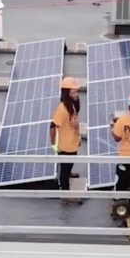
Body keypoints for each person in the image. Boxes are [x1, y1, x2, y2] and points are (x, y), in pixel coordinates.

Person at [50, 77, 82, 205]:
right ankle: (65, 194)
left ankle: (68, 173)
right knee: (64, 169)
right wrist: (53, 143)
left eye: (76, 92)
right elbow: (53, 126)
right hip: (65, 145)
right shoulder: (62, 109)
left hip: (72, 142)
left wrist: (78, 137)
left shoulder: (73, 105)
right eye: (73, 92)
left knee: (70, 163)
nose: (76, 94)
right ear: (66, 93)